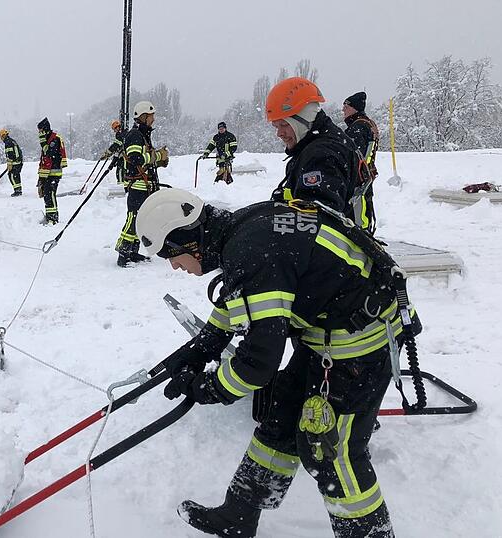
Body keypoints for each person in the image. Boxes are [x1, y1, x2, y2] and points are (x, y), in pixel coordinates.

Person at [135, 188, 418, 538]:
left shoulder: (250, 248)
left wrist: (209, 388)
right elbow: (243, 297)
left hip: (360, 345)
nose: (174, 266)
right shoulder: (244, 229)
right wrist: (202, 347)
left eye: (170, 254)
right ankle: (238, 516)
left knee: (332, 453)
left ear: (187, 238)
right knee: (281, 418)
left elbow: (258, 364)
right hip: (327, 335)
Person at [266, 77, 360, 218]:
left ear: (305, 119)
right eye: (276, 127)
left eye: (284, 125)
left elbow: (314, 224)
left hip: (340, 240)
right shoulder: (321, 143)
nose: (279, 134)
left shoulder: (321, 156)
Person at [115, 101, 169, 268]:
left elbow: (143, 160)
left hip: (146, 186)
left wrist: (158, 161)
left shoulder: (143, 135)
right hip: (138, 186)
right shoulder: (135, 135)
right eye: (151, 116)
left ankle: (133, 252)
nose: (153, 119)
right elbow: (135, 159)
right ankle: (123, 254)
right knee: (134, 219)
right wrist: (157, 156)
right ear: (144, 117)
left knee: (142, 220)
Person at [342, 91, 380, 233]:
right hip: (366, 176)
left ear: (354, 108)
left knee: (358, 216)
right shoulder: (369, 124)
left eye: (346, 107)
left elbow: (353, 156)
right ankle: (365, 233)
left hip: (358, 179)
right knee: (365, 211)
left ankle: (361, 236)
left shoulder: (357, 127)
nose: (343, 110)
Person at [36, 117, 67, 224]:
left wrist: (43, 142)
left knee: (51, 194)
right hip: (46, 173)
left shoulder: (54, 139)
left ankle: (53, 218)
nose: (39, 133)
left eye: (40, 130)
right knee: (46, 195)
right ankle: (49, 216)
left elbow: (49, 153)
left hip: (54, 173)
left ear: (45, 129)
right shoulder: (48, 138)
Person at [0, 129, 24, 197]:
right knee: (15, 175)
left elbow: (10, 154)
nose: (1, 138)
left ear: (3, 135)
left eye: (1, 137)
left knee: (12, 175)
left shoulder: (8, 143)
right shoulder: (11, 141)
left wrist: (10, 163)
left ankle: (17, 191)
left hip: (15, 162)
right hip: (18, 161)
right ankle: (18, 190)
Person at [103, 119, 127, 185]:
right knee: (119, 170)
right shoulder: (120, 134)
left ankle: (121, 184)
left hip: (125, 157)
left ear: (118, 127)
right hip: (122, 156)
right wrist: (112, 163)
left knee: (120, 170)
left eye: (114, 129)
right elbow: (117, 150)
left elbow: (116, 145)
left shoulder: (122, 134)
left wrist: (108, 152)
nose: (114, 131)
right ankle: (121, 183)